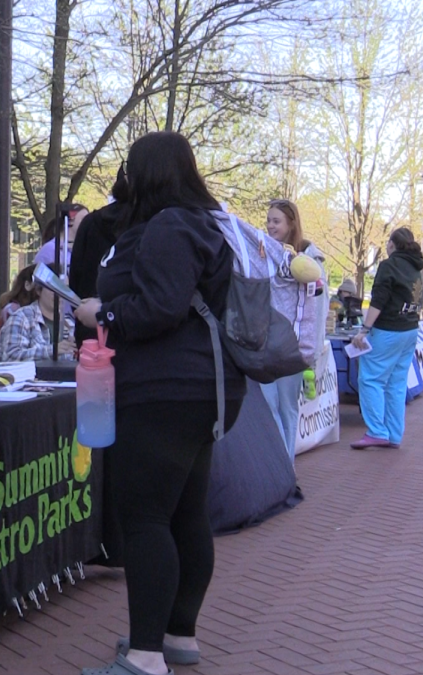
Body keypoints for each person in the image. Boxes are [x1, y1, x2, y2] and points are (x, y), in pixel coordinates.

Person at [74, 131, 245, 675]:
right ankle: (177, 636)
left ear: (145, 173)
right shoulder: (204, 225)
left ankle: (145, 656)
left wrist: (102, 314)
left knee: (145, 518)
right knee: (185, 513)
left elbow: (161, 306)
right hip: (201, 389)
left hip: (165, 391)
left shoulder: (170, 226)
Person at [260, 199, 328, 463]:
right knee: (269, 406)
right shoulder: (267, 255)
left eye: (276, 221)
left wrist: (311, 348)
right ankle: (277, 464)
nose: (270, 226)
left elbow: (318, 309)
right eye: (268, 221)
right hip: (267, 344)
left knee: (286, 407)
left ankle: (285, 466)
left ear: (291, 223)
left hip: (293, 348)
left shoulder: (310, 262)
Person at [348, 227, 423, 450]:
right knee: (397, 383)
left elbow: (379, 299)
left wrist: (364, 329)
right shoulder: (418, 268)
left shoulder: (389, 265)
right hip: (410, 329)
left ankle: (376, 431)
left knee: (371, 379)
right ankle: (393, 433)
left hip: (387, 330)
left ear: (392, 244)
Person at [70, 167, 129, 346]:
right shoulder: (149, 224)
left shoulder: (90, 223)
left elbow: (75, 278)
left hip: (91, 328)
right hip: (132, 331)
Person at [0, 263, 75, 361]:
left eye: (64, 288)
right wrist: (51, 351)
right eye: (53, 288)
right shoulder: (21, 318)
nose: (60, 294)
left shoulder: (70, 324)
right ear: (38, 290)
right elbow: (11, 356)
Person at [34, 204, 88, 271]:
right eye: (84, 219)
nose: (88, 223)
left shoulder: (85, 250)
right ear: (70, 221)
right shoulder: (50, 250)